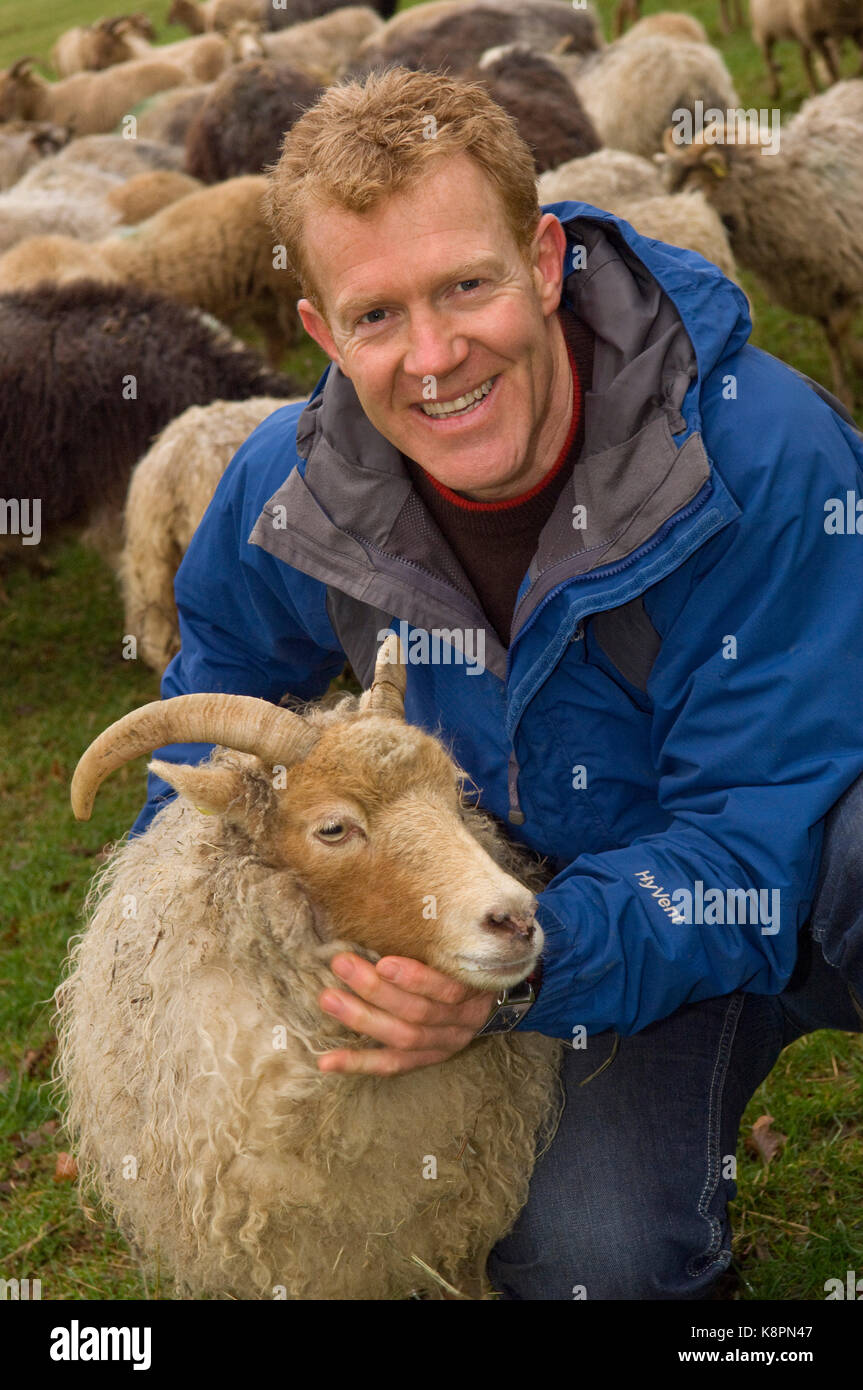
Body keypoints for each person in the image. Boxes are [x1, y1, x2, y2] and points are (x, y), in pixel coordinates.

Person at [131, 67, 863, 1299]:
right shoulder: (286, 491)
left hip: (768, 880)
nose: (432, 357)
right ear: (318, 331)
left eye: (464, 285)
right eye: (374, 316)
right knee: (588, 1265)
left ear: (540, 262)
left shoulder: (760, 451)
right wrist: (176, 950)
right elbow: (218, 691)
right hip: (552, 935)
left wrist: (533, 958)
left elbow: (756, 839)